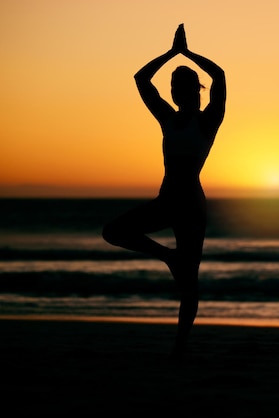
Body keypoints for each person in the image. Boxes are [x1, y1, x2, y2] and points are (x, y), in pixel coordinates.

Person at [102, 23, 226, 357]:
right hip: (167, 200)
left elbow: (221, 76)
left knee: (190, 281)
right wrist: (172, 54)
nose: (179, 93)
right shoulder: (167, 118)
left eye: (186, 87)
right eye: (175, 87)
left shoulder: (209, 120)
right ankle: (169, 257)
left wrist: (188, 54)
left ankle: (180, 345)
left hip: (191, 206)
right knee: (113, 231)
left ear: (197, 91)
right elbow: (141, 80)